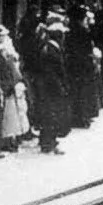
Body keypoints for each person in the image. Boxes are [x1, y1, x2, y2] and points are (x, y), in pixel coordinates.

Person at [26, 16, 73, 154]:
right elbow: (51, 73)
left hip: (48, 89)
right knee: (51, 116)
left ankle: (47, 141)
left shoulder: (50, 47)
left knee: (49, 116)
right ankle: (49, 143)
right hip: (50, 90)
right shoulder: (50, 50)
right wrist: (61, 88)